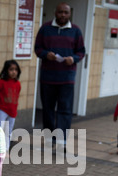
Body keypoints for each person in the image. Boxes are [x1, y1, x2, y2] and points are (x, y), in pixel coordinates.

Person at [34, 2, 85, 147]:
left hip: (67, 78)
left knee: (65, 110)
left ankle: (62, 140)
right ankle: (50, 138)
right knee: (48, 110)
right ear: (55, 13)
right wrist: (45, 54)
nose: (63, 15)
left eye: (66, 12)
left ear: (70, 14)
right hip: (48, 78)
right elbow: (37, 48)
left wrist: (73, 59)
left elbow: (81, 52)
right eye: (60, 12)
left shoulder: (76, 30)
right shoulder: (45, 28)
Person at [0, 60, 21, 151]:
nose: (14, 72)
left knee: (8, 132)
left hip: (12, 112)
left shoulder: (18, 84)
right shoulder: (1, 82)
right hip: (2, 110)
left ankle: (6, 149)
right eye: (11, 69)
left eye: (16, 70)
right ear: (6, 70)